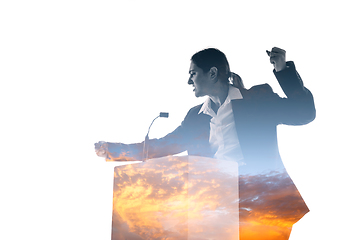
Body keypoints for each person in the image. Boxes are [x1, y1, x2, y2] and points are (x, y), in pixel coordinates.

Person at [95, 47, 316, 239]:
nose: (188, 80)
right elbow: (164, 145)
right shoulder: (196, 117)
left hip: (262, 200)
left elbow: (304, 112)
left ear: (212, 73)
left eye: (192, 73)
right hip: (220, 200)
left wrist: (282, 69)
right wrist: (115, 150)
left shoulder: (255, 99)